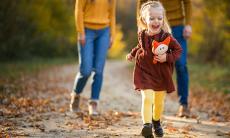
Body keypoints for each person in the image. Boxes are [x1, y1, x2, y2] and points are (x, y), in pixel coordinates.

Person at [126, 1, 182, 137]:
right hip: (145, 71)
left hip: (161, 74)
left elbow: (178, 50)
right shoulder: (143, 35)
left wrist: (167, 57)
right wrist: (132, 54)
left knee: (158, 102)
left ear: (163, 19)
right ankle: (147, 125)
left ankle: (156, 121)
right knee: (147, 99)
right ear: (144, 20)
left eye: (159, 18)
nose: (156, 21)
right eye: (151, 18)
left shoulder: (167, 37)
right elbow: (141, 47)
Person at [137, 0, 192, 117]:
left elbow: (187, 2)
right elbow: (141, 3)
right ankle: (154, 103)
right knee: (155, 63)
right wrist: (140, 24)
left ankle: (184, 104)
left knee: (181, 65)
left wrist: (188, 24)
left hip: (177, 26)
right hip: (154, 25)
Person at [70, 0, 116, 116]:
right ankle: (76, 94)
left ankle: (93, 102)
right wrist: (80, 32)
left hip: (104, 32)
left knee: (99, 70)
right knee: (85, 70)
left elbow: (112, 14)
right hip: (86, 30)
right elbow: (78, 10)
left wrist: (112, 34)